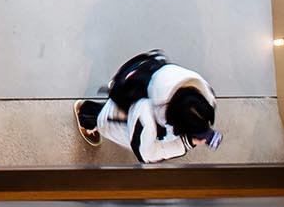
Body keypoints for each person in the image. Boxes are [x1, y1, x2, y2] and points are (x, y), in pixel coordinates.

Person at [74, 50, 219, 163]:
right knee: (105, 121)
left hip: (143, 81)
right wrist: (186, 143)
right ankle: (85, 115)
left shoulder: (198, 91)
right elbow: (146, 153)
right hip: (129, 111)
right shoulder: (145, 116)